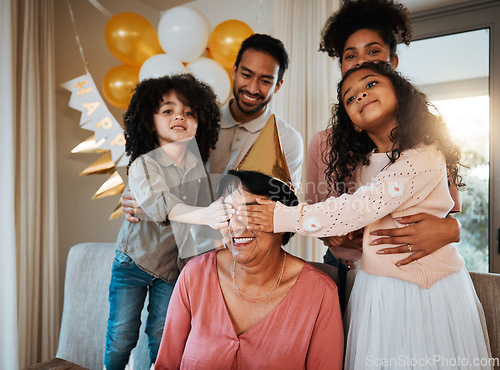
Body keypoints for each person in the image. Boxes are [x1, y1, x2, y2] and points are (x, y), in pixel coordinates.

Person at [243, 62, 491, 368]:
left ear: (400, 95)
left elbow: (359, 207)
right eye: (350, 97)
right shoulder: (366, 163)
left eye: (371, 85)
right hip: (377, 288)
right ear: (354, 123)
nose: (360, 95)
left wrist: (282, 217)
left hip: (424, 293)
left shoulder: (424, 155)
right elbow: (369, 212)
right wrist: (356, 231)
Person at [306, 0, 461, 310]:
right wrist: (333, 235)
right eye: (351, 56)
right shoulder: (322, 143)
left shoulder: (426, 137)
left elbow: (449, 207)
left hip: (411, 270)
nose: (361, 61)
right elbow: (314, 209)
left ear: (393, 62)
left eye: (373, 52)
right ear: (341, 69)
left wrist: (452, 229)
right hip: (346, 270)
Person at [104, 74, 233, 369]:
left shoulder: (197, 169)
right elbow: (162, 205)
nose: (180, 117)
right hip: (133, 263)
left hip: (172, 270)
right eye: (168, 110)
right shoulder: (142, 164)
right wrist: (206, 214)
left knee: (163, 336)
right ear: (150, 122)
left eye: (189, 112)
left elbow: (199, 231)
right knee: (121, 335)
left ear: (200, 123)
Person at [155, 170, 344, 369]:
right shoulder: (195, 275)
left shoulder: (320, 293)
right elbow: (167, 365)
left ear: (282, 216)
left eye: (249, 213)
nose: (235, 226)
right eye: (228, 213)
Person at [122, 33, 304, 222]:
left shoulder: (287, 139)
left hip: (243, 239)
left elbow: (283, 207)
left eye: (265, 81)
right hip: (188, 239)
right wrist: (133, 194)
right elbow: (157, 168)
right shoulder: (195, 123)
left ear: (278, 85)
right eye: (246, 75)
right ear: (234, 71)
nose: (252, 88)